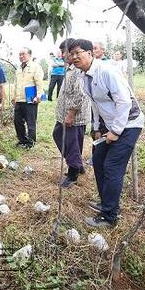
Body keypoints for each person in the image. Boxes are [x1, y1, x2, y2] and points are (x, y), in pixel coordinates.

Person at [68, 39, 144, 228]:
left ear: (90, 53)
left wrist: (116, 131)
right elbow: (96, 104)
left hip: (129, 124)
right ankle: (106, 203)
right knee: (99, 161)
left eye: (78, 52)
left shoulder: (107, 71)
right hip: (108, 125)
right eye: (72, 54)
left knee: (112, 167)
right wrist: (96, 128)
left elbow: (124, 102)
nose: (74, 57)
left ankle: (110, 216)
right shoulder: (83, 76)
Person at [52, 38, 90, 188]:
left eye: (64, 52)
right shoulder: (68, 68)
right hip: (64, 115)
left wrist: (71, 114)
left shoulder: (77, 69)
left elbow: (80, 94)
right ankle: (77, 164)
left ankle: (73, 174)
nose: (62, 55)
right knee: (58, 135)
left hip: (74, 117)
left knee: (72, 144)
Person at [12, 47, 44, 149]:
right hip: (19, 99)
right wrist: (14, 97)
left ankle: (31, 143)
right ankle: (22, 140)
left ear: (29, 55)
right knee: (17, 121)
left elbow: (39, 83)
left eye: (23, 54)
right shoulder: (18, 69)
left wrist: (38, 96)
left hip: (30, 99)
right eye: (20, 54)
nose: (21, 56)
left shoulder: (35, 67)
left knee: (31, 122)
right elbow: (16, 84)